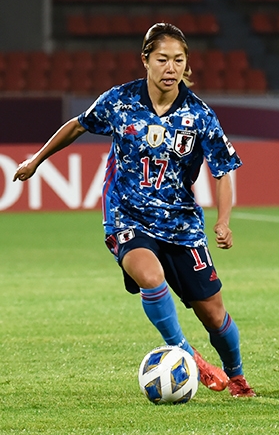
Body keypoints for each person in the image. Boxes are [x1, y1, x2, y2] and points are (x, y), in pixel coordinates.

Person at [13, 23, 256, 397]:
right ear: (145, 60)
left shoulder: (200, 115)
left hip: (181, 225)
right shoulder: (119, 101)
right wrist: (38, 159)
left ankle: (237, 375)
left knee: (213, 314)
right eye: (162, 59)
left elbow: (223, 172)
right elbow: (77, 126)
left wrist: (223, 221)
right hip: (127, 216)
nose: (170, 67)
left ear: (186, 64)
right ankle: (184, 352)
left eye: (178, 60)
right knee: (149, 274)